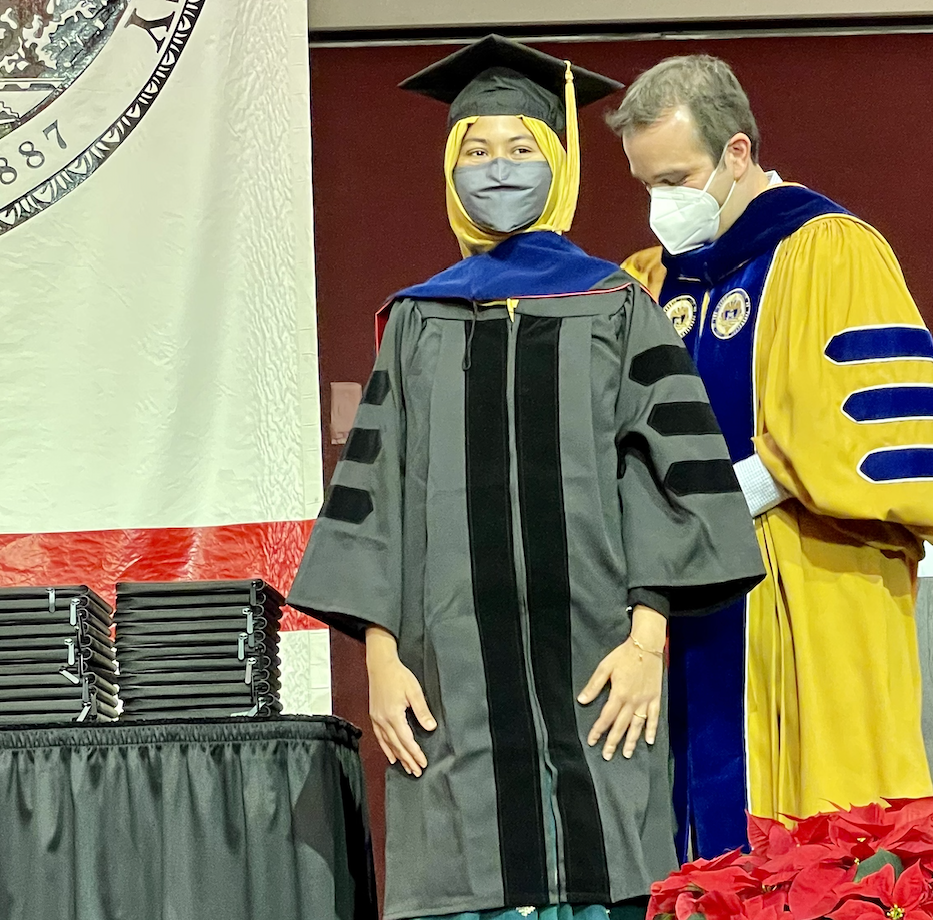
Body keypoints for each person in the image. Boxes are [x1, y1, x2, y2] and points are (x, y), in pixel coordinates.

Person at [287, 36, 764, 920]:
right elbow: (375, 496)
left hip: (600, 668)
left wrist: (648, 643)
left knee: (606, 868)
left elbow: (668, 480)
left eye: (518, 148)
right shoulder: (419, 319)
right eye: (475, 151)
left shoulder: (616, 307)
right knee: (467, 868)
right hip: (448, 682)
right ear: (447, 170)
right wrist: (381, 662)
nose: (496, 169)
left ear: (558, 164)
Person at [606, 55, 933, 859]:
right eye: (646, 184)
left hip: (808, 578)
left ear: (736, 152)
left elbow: (876, 430)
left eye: (677, 179)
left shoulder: (831, 249)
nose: (662, 203)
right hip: (688, 591)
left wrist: (749, 482)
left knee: (819, 835)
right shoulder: (652, 281)